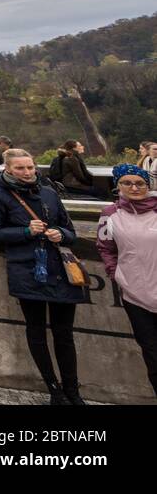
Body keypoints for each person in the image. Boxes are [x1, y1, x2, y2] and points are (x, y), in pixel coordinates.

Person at [0, 148, 88, 405]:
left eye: (30, 167)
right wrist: (25, 231)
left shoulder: (49, 193)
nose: (28, 172)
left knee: (64, 333)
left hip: (59, 270)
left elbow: (71, 231)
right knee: (37, 330)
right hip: (28, 269)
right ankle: (54, 390)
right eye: (20, 168)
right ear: (8, 169)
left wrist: (61, 234)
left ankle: (72, 390)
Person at [97, 163, 157, 397]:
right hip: (136, 296)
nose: (134, 187)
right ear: (118, 185)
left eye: (140, 183)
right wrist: (115, 274)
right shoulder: (109, 215)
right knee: (153, 355)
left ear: (147, 185)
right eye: (127, 183)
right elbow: (105, 248)